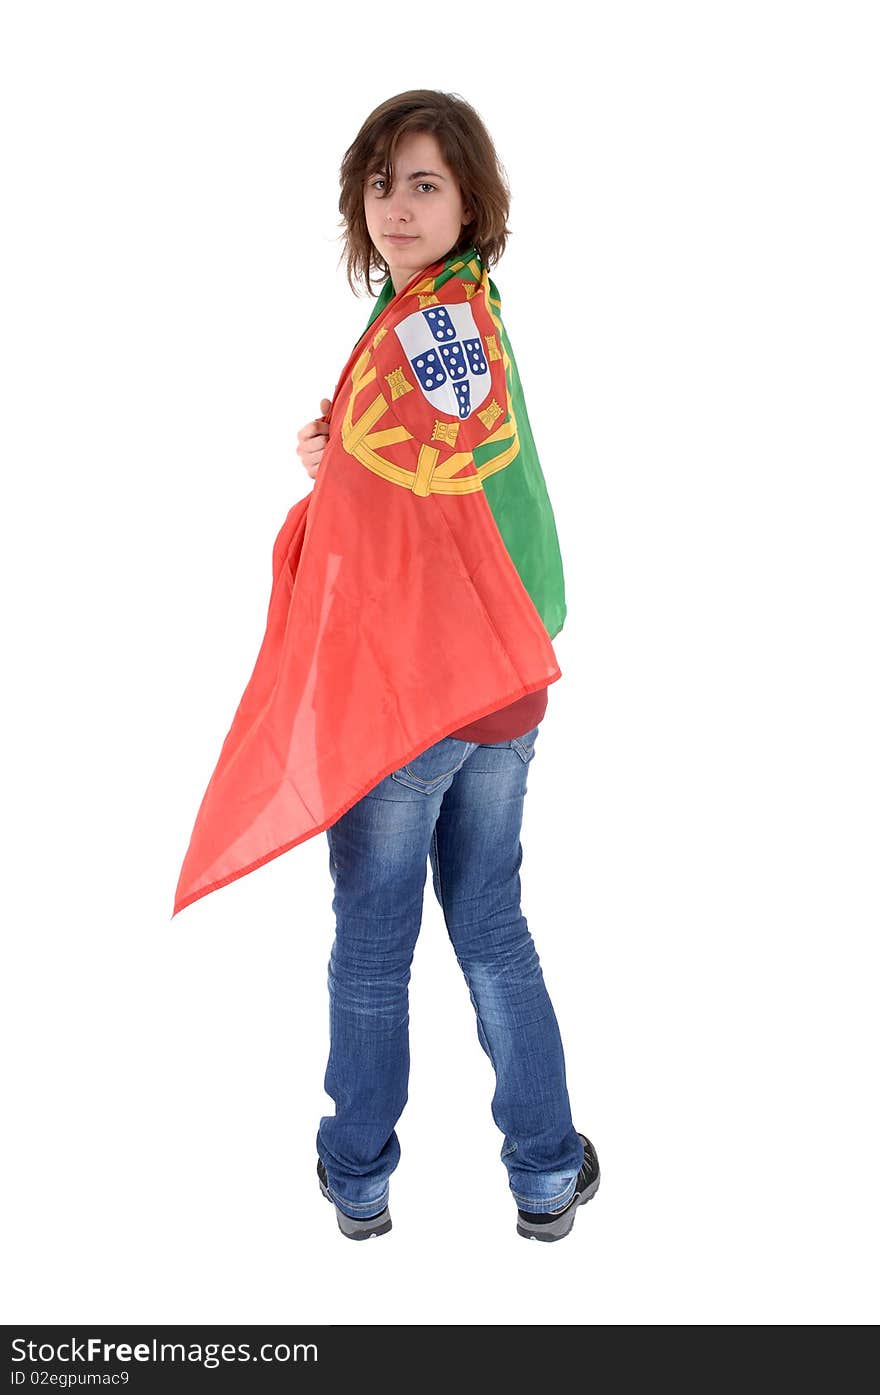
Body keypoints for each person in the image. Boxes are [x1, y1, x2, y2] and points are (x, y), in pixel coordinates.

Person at [295, 91, 599, 1242]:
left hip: (419, 684)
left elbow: (441, 468)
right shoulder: (451, 307)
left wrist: (346, 472)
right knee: (489, 922)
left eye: (425, 182)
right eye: (380, 183)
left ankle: (358, 1183)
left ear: (473, 199)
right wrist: (348, 460)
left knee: (374, 945)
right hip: (501, 678)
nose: (396, 206)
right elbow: (438, 470)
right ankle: (543, 1174)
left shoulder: (436, 326)